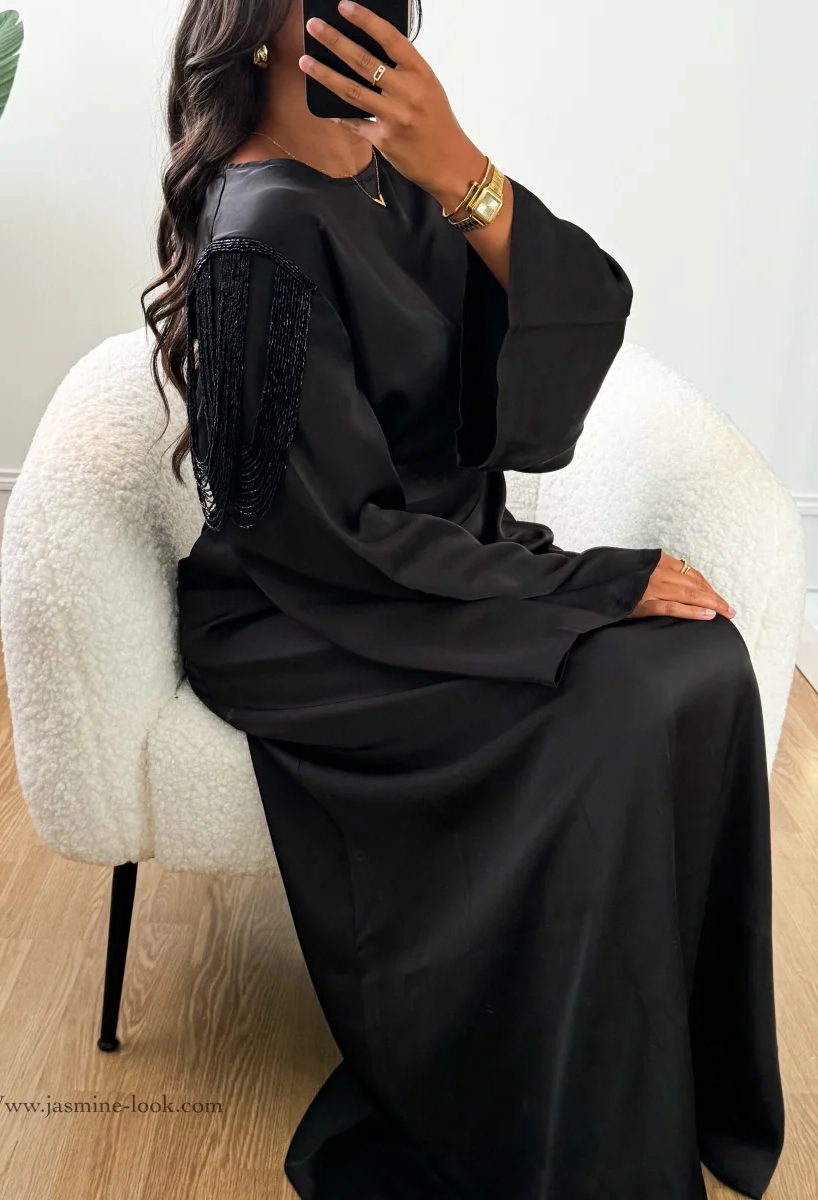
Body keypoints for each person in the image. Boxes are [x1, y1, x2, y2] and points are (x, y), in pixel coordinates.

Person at [142, 2, 786, 1196]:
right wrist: (585, 584)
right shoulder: (258, 234)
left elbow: (583, 310)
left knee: (701, 665)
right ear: (266, 33)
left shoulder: (392, 174)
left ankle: (656, 1082)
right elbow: (318, 538)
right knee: (619, 705)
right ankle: (557, 1115)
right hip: (309, 612)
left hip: (432, 566)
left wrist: (463, 171)